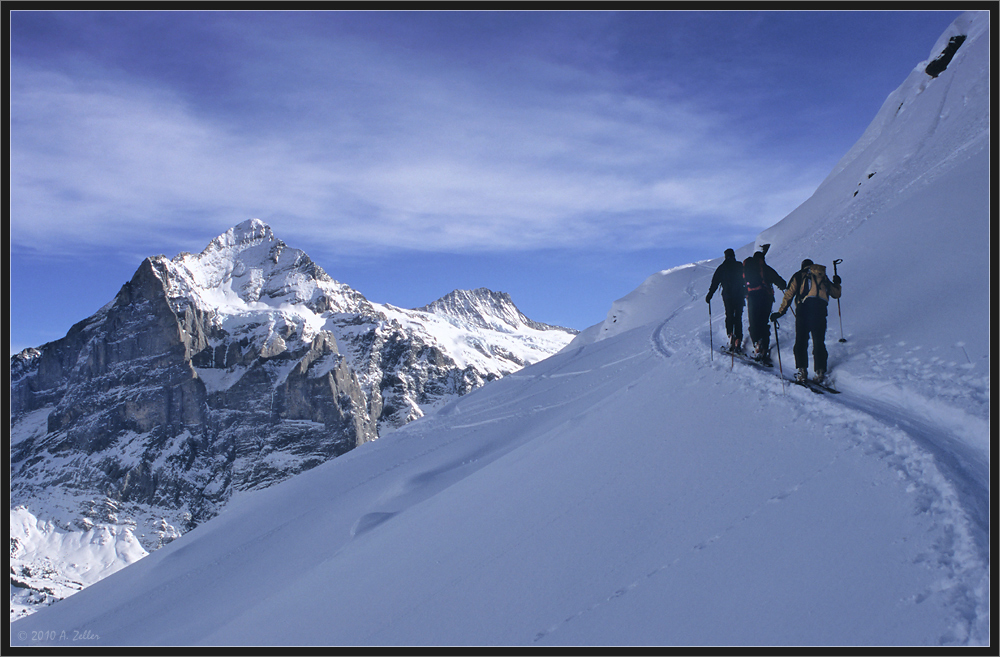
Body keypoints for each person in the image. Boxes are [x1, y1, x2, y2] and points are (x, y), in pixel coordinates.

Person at [771, 259, 842, 383]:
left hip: (803, 311)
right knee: (819, 341)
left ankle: (802, 371)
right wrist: (837, 284)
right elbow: (836, 294)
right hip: (820, 311)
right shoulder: (822, 276)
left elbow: (789, 294)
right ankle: (820, 372)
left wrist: (780, 312)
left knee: (801, 341)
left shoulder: (799, 275)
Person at [742, 247, 786, 366]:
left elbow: (741, 284)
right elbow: (780, 282)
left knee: (754, 322)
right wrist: (782, 286)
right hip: (766, 298)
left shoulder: (746, 269)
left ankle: (757, 344)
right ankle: (764, 348)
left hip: (752, 298)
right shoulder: (766, 269)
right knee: (763, 322)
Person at [705, 248, 745, 353]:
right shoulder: (739, 266)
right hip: (740, 295)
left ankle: (731, 336)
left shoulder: (722, 268)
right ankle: (738, 340)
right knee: (738, 317)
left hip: (728, 296)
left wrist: (710, 295)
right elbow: (747, 278)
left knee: (729, 315)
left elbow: (715, 283)